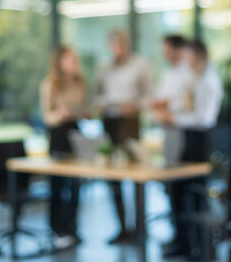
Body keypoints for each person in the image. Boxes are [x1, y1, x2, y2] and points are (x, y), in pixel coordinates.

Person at [153, 39, 223, 260]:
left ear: (197, 56)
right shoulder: (197, 78)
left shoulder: (207, 80)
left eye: (188, 57)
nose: (185, 61)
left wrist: (173, 117)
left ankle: (200, 248)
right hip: (189, 139)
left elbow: (202, 118)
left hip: (199, 141)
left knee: (195, 195)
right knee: (179, 192)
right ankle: (184, 243)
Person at [95, 30, 154, 244]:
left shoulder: (140, 65)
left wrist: (136, 106)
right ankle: (122, 227)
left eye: (121, 44)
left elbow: (149, 95)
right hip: (109, 121)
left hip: (130, 121)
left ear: (127, 44)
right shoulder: (104, 67)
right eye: (114, 45)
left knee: (136, 171)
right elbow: (97, 93)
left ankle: (140, 228)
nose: (117, 49)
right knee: (113, 174)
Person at [40, 46, 86, 248]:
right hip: (58, 134)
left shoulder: (79, 83)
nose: (74, 64)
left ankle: (72, 227)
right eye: (70, 60)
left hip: (75, 132)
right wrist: (60, 114)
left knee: (76, 185)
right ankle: (57, 229)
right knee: (58, 185)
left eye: (75, 60)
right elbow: (46, 117)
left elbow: (85, 106)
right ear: (60, 62)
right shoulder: (50, 84)